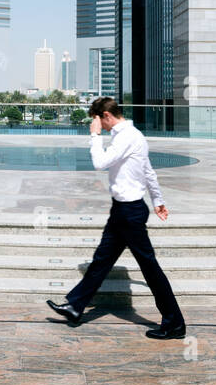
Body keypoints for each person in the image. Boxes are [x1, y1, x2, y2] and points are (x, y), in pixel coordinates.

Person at [47, 97, 186, 339]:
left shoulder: (125, 137)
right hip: (123, 209)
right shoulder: (133, 136)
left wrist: (94, 136)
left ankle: (174, 323)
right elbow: (148, 172)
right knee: (101, 260)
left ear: (106, 116)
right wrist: (158, 201)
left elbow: (99, 163)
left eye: (98, 121)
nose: (99, 125)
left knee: (150, 268)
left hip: (130, 212)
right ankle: (74, 307)